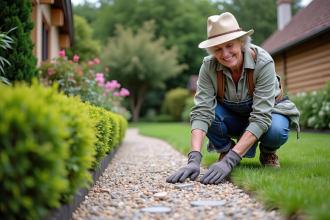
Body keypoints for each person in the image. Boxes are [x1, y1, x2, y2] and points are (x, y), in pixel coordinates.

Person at [166, 12, 300, 185]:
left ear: (241, 42)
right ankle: (225, 150)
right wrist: (193, 159)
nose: (225, 53)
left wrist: (231, 161)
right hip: (233, 118)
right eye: (218, 49)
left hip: (268, 114)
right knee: (208, 113)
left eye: (230, 45)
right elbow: (201, 112)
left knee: (276, 130)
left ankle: (267, 152)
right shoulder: (208, 67)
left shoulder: (263, 63)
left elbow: (261, 117)